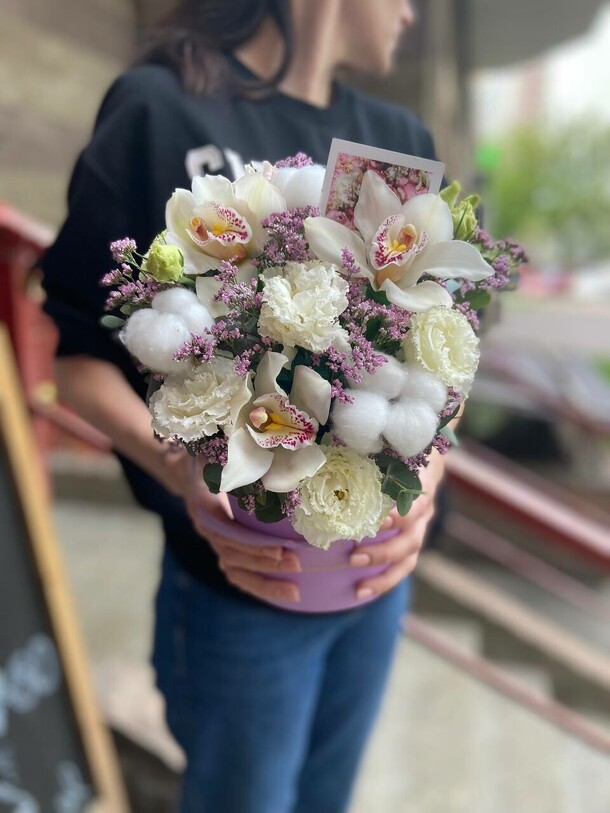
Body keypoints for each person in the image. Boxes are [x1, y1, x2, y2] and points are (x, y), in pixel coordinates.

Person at [41, 1, 449, 810]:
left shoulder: (396, 139)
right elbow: (79, 361)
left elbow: (447, 354)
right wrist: (181, 466)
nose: (410, 13)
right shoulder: (160, 107)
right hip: (242, 587)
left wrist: (426, 483)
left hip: (374, 587)